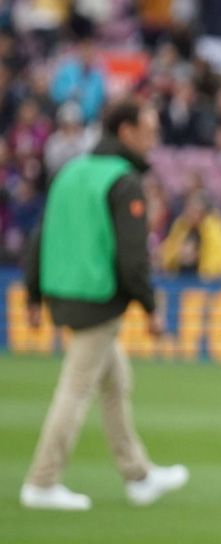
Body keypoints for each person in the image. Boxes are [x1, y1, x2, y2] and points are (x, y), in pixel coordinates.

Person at [20, 99, 189, 511]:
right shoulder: (123, 182)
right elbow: (133, 258)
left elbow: (40, 236)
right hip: (97, 297)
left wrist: (33, 293)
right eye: (148, 129)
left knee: (116, 383)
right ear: (127, 131)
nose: (154, 138)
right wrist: (150, 308)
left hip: (65, 291)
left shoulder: (72, 172)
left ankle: (138, 475)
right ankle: (42, 481)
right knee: (77, 388)